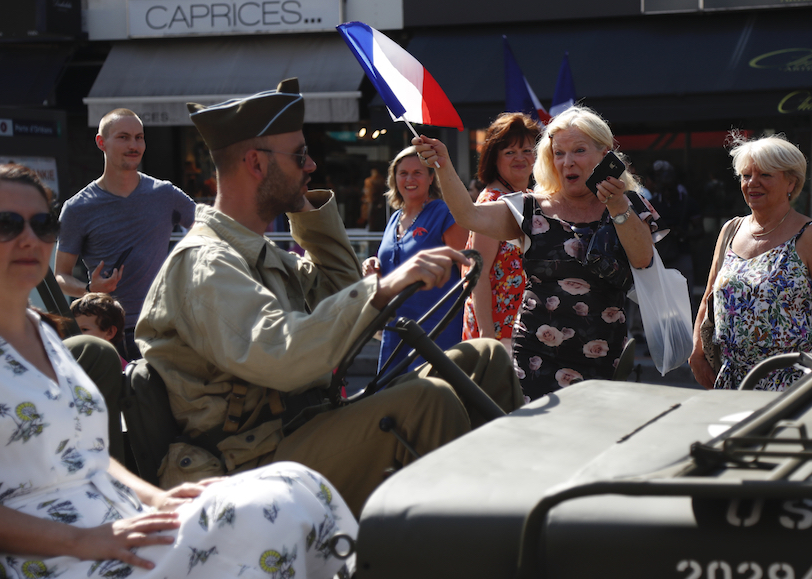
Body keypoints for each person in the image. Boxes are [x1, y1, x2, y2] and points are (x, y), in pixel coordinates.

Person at [0, 163, 354, 579]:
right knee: (271, 516)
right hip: (59, 565)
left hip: (117, 529)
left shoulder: (43, 334)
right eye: (4, 225)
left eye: (42, 225)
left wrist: (160, 498)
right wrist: (84, 540)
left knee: (298, 485)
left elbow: (91, 458)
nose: (28, 239)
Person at [135, 79, 522, 516]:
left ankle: (511, 510)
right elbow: (283, 357)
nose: (313, 165)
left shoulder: (258, 255)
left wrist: (306, 207)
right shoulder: (206, 264)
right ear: (256, 164)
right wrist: (384, 286)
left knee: (483, 358)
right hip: (251, 460)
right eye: (300, 156)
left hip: (304, 426)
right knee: (427, 403)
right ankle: (448, 557)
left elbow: (338, 289)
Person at [413, 106, 655, 402]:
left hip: (603, 356)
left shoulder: (629, 205)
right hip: (534, 359)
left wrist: (616, 205)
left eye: (579, 150)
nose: (568, 162)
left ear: (605, 155)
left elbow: (643, 260)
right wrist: (442, 165)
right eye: (559, 153)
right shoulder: (529, 207)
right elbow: (468, 216)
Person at [689, 133, 812, 391]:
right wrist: (697, 350)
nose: (753, 183)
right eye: (746, 175)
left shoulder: (811, 235)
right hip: (733, 380)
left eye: (765, 175)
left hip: (796, 382)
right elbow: (709, 298)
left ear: (791, 182)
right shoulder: (731, 229)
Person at [55, 108, 196, 361]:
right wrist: (89, 289)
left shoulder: (164, 194)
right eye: (123, 137)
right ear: (101, 142)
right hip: (106, 332)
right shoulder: (77, 208)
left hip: (161, 327)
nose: (134, 145)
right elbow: (60, 275)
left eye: (139, 137)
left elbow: (209, 229)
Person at [361, 147, 469, 372]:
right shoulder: (394, 219)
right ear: (394, 178)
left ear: (431, 178)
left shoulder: (444, 213)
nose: (409, 179)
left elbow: (469, 270)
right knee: (394, 402)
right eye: (403, 173)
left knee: (433, 401)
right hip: (397, 333)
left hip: (437, 332)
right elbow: (396, 268)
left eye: (417, 173)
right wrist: (374, 267)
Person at [461, 112, 540, 358]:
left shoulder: (528, 197)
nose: (521, 158)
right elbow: (478, 273)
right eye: (510, 152)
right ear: (494, 158)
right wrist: (486, 336)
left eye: (527, 150)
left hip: (523, 327)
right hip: (497, 334)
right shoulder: (492, 202)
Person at [70, 292, 128, 369]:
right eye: (74, 328)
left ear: (110, 332)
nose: (76, 334)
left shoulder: (117, 369)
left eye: (84, 329)